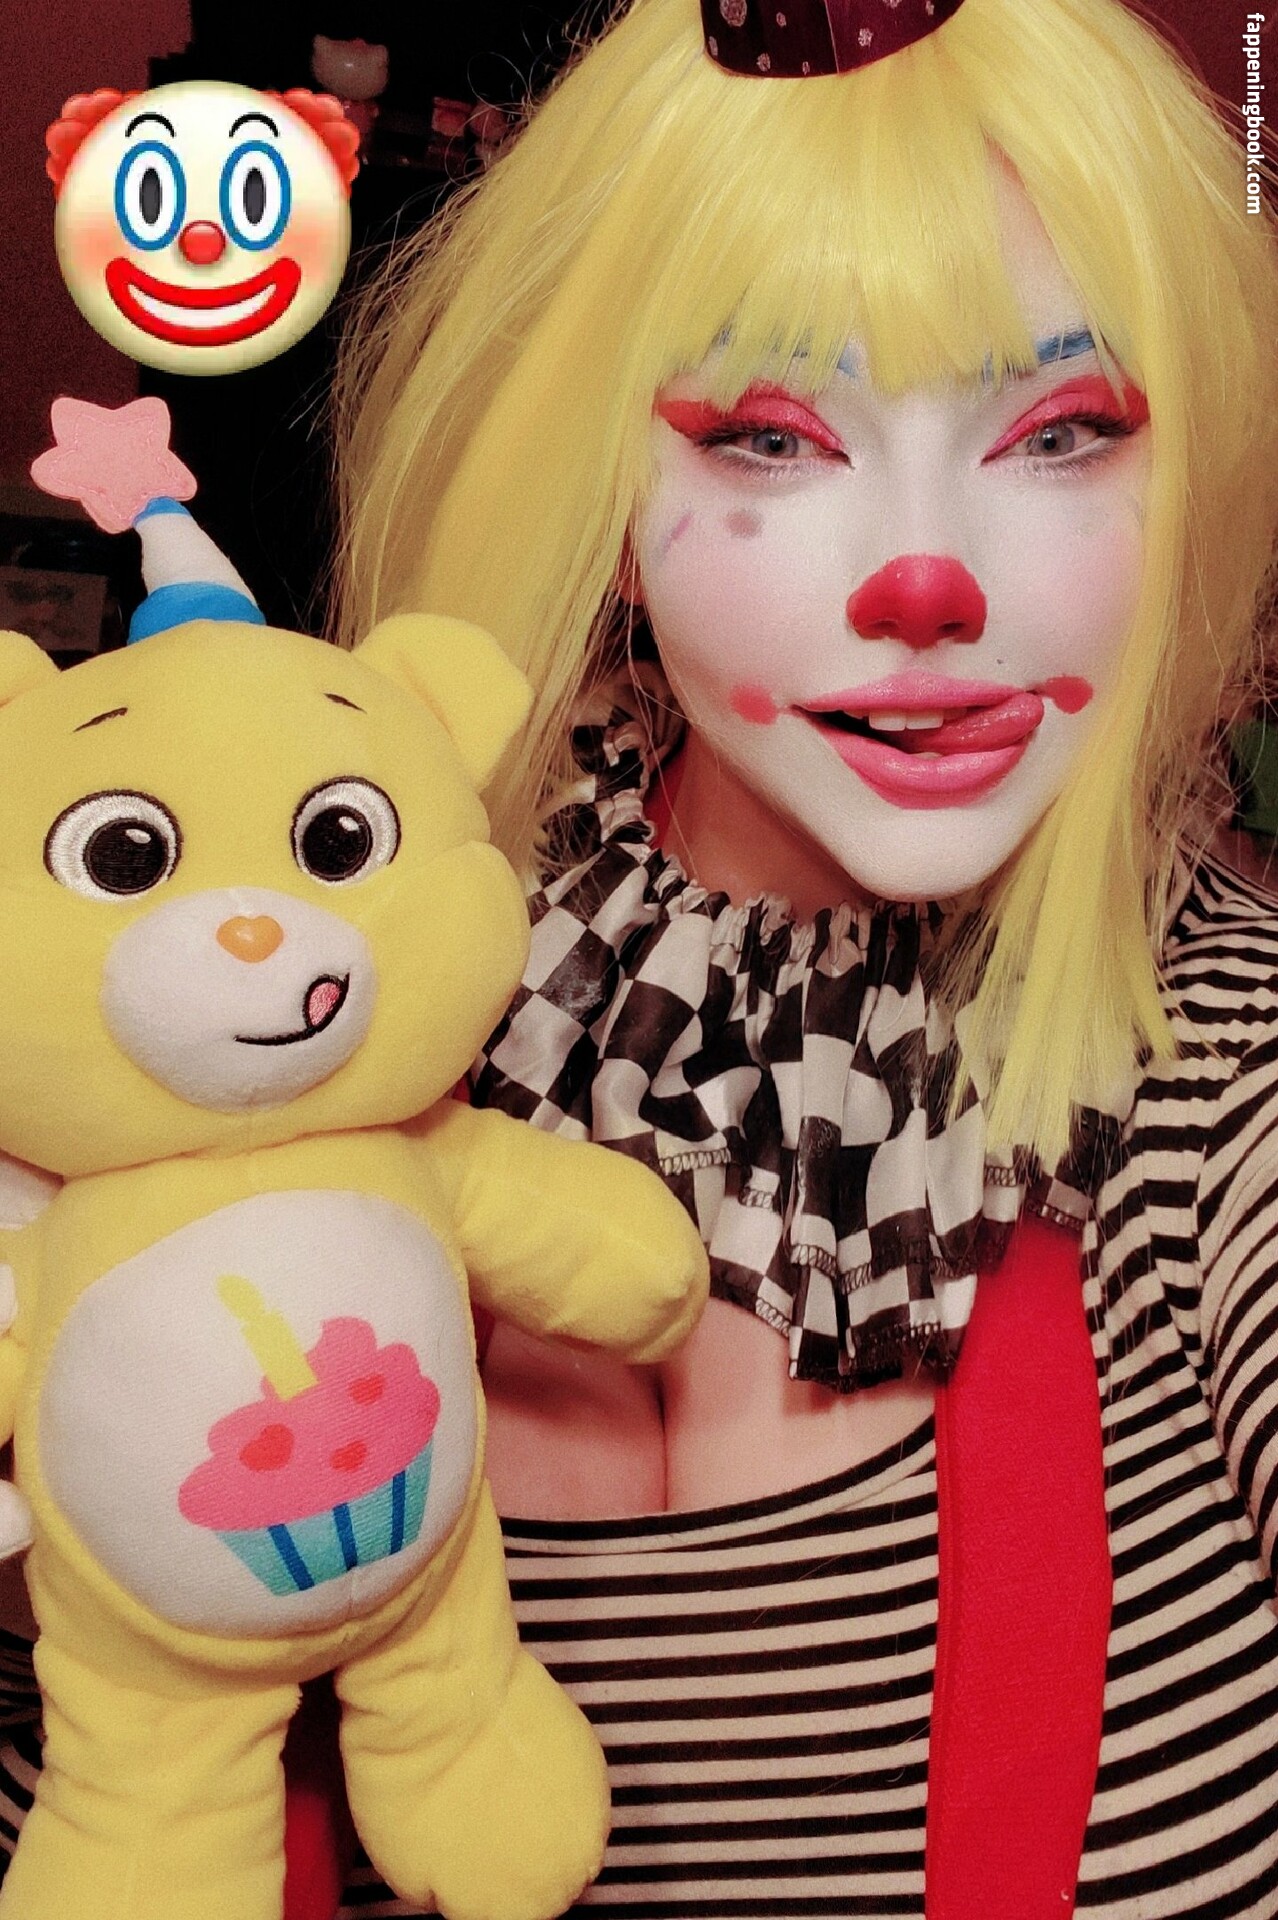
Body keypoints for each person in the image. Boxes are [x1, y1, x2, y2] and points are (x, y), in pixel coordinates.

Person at [3, 0, 1278, 1914]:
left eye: (1062, 432)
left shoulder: (1229, 1064)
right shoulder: (278, 984)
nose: (920, 586)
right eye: (768, 434)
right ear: (601, 493)